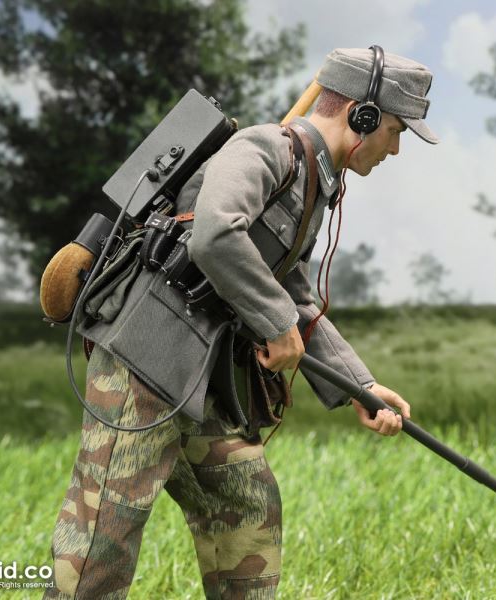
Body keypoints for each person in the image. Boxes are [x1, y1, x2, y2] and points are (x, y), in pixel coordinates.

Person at [44, 46, 438, 599]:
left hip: (201, 383)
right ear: (361, 115)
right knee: (101, 541)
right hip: (144, 362)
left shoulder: (310, 182)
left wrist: (360, 385)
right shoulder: (264, 147)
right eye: (395, 130)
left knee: (247, 509)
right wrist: (276, 323)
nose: (395, 148)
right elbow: (215, 233)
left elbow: (295, 299)